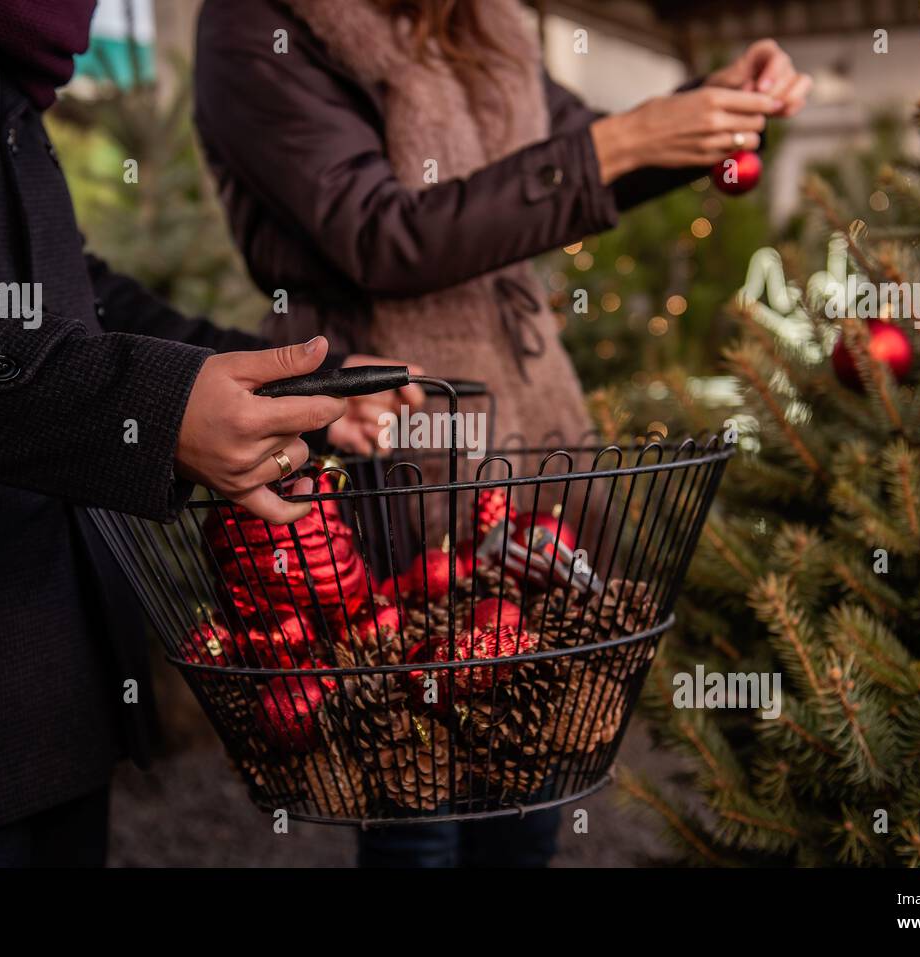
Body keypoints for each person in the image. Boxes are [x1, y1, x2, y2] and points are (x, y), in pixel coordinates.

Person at [0, 0, 417, 866]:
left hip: (56, 691)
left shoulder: (5, 53)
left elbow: (71, 293)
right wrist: (149, 411)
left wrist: (296, 388)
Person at [193, 0, 810, 867]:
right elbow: (380, 233)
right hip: (393, 434)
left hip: (523, 431)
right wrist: (622, 143)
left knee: (531, 762)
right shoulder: (262, 26)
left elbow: (585, 149)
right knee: (420, 793)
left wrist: (710, 108)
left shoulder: (480, 24)